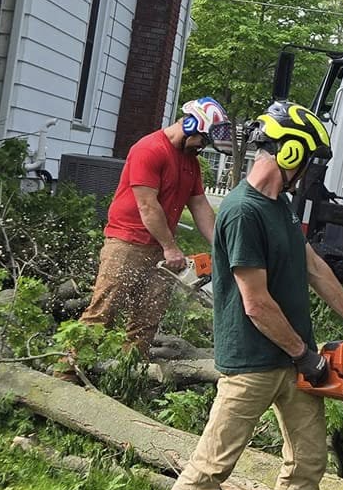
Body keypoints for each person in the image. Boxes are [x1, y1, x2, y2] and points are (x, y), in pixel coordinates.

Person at [132, 99, 343, 490]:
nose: (309, 176)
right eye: (308, 164)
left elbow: (312, 266)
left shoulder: (280, 207)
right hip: (253, 364)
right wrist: (304, 355)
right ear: (291, 154)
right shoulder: (243, 212)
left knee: (308, 463)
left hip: (294, 363)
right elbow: (256, 304)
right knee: (210, 470)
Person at [80, 98, 231, 356]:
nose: (202, 147)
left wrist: (222, 246)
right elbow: (147, 206)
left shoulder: (191, 162)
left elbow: (200, 206)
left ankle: (129, 372)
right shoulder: (149, 149)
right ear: (191, 125)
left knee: (147, 319)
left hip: (160, 247)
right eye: (202, 141)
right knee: (103, 311)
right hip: (127, 243)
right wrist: (170, 248)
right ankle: (67, 372)